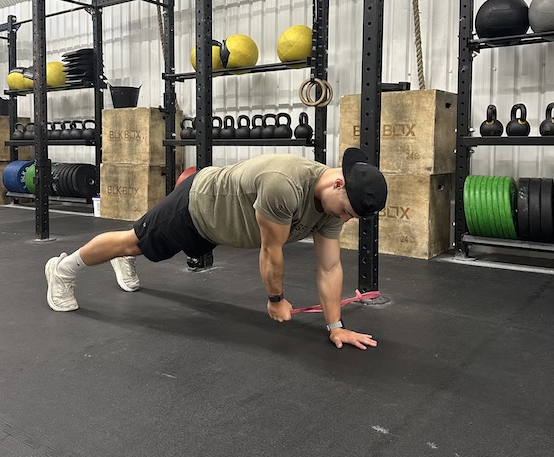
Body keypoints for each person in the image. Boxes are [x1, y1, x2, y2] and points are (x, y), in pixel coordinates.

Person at [45, 147, 387, 350]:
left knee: (144, 249)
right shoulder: (285, 185)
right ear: (337, 183)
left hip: (217, 227)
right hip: (197, 205)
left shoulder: (332, 208)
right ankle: (62, 270)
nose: (345, 219)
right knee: (132, 242)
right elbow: (271, 252)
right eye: (346, 211)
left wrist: (335, 327)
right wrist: (275, 300)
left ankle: (124, 261)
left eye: (350, 216)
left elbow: (329, 267)